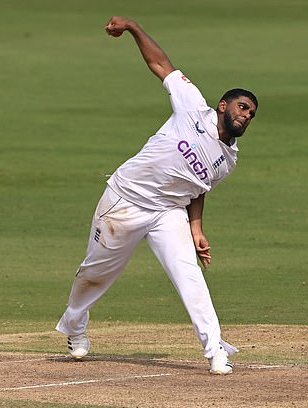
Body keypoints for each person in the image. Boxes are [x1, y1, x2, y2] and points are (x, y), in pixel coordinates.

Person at [56, 17, 258, 374]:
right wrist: (132, 28)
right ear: (223, 106)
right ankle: (74, 326)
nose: (246, 116)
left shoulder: (229, 160)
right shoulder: (193, 106)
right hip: (126, 200)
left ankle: (215, 350)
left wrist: (196, 229)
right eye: (242, 107)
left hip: (167, 212)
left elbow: (198, 189)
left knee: (188, 274)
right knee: (95, 273)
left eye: (252, 114)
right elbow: (160, 64)